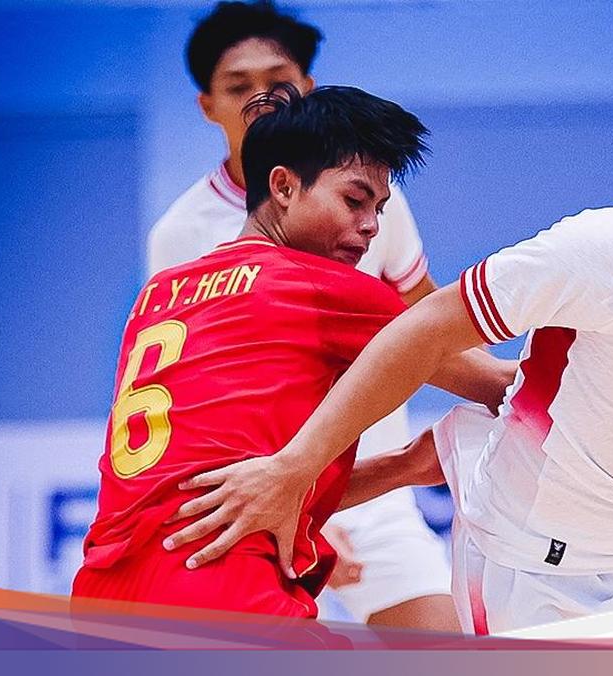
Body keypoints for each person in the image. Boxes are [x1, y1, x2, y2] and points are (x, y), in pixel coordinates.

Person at [163, 39, 613, 634]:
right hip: (538, 563)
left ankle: (441, 454)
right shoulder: (607, 251)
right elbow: (424, 328)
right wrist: (297, 468)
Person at [73, 84, 511, 619]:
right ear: (283, 186)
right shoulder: (324, 287)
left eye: (379, 207)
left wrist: (402, 467)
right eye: (354, 200)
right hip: (221, 591)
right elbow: (503, 388)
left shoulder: (158, 295)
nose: (372, 226)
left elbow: (238, 488)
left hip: (104, 598)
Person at [147, 1, 459, 630]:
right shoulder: (182, 237)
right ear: (208, 105)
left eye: (278, 80)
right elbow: (191, 401)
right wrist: (295, 502)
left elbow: (427, 321)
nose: (262, 97)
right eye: (239, 86)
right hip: (254, 493)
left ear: (307, 87)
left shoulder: (371, 195)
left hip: (371, 486)